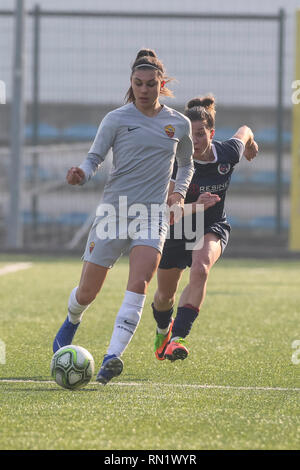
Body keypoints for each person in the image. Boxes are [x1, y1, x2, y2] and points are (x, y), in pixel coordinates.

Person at [52, 48, 201, 385]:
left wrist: (178, 191)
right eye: (138, 83)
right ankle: (70, 323)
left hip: (152, 215)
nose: (144, 89)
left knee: (139, 284)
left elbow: (188, 163)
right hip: (114, 213)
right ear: (131, 83)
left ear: (161, 85)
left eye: (151, 84)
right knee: (87, 293)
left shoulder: (177, 123)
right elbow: (94, 158)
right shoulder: (116, 119)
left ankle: (111, 358)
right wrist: (82, 174)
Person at [152, 95, 259, 362]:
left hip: (212, 226)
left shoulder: (227, 154)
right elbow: (170, 210)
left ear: (211, 133)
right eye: (190, 135)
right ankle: (163, 330)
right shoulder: (176, 163)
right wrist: (197, 205)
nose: (195, 142)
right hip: (178, 230)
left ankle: (177, 338)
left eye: (200, 134)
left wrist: (251, 145)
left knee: (200, 268)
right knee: (165, 297)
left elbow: (244, 130)